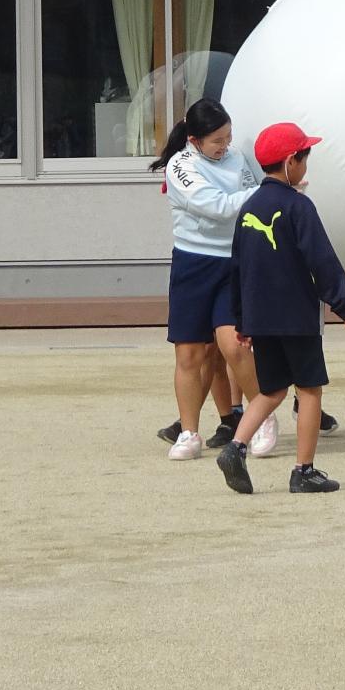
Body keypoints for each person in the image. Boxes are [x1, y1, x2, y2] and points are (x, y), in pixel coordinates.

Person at [216, 123, 345, 495]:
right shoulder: (298, 205)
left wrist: (242, 320)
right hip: (296, 317)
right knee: (309, 390)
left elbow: (238, 268)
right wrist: (343, 305)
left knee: (271, 390)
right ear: (291, 161)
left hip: (260, 318)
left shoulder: (248, 209)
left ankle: (236, 447)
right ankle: (304, 470)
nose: (305, 164)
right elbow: (321, 259)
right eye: (305, 156)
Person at [149, 98, 276, 461]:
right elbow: (218, 207)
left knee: (234, 345)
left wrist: (259, 193)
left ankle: (263, 417)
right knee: (190, 353)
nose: (225, 146)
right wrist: (265, 191)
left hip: (234, 263)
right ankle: (189, 433)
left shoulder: (236, 160)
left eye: (228, 137)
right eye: (217, 140)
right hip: (193, 263)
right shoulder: (181, 166)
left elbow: (246, 200)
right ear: (194, 140)